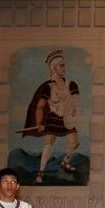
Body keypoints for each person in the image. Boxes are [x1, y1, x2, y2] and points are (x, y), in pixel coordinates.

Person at [22, 49, 80, 184]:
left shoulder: (71, 84)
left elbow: (76, 103)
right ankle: (41, 172)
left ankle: (65, 162)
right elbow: (40, 107)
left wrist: (73, 114)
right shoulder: (48, 87)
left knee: (75, 142)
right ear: (54, 68)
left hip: (66, 119)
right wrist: (39, 123)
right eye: (61, 65)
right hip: (53, 119)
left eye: (64, 65)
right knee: (48, 146)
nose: (64, 68)